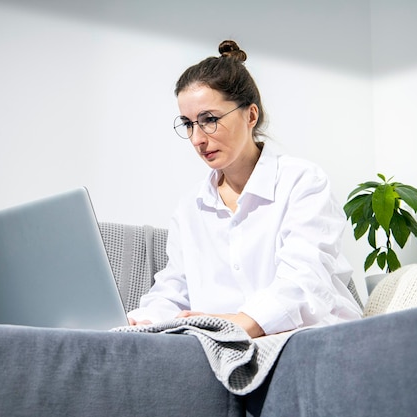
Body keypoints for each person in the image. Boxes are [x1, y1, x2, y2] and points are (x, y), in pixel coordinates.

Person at [127, 40, 362, 337]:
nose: (197, 139)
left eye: (209, 120)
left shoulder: (302, 182)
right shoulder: (190, 209)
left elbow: (303, 282)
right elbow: (173, 290)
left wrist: (235, 324)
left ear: (251, 116)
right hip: (223, 341)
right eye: (188, 124)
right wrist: (145, 320)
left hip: (313, 339)